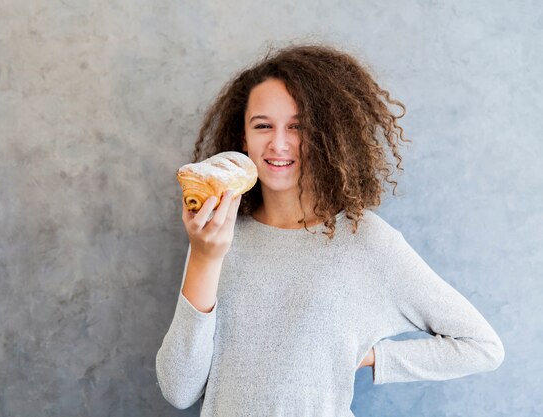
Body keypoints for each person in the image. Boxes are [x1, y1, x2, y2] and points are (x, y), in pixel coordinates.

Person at [156, 44, 504, 416]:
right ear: (243, 141)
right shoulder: (216, 233)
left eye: (298, 126)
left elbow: (481, 346)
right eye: (263, 126)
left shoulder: (365, 241)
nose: (278, 143)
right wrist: (206, 258)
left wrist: (372, 356)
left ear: (326, 135)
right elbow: (179, 390)